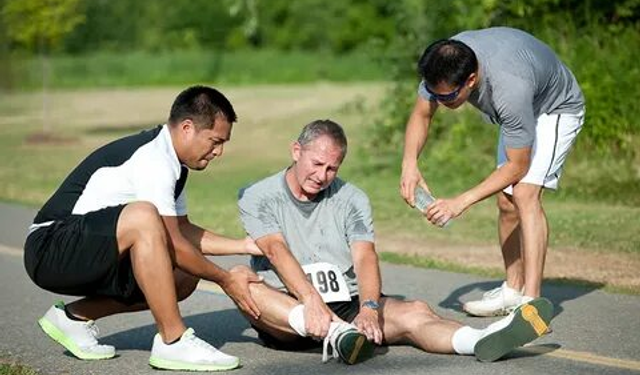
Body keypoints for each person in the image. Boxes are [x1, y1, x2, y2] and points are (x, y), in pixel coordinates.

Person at [235, 119, 554, 364]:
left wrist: (370, 308)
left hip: (346, 303)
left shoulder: (351, 197)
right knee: (242, 282)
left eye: (332, 168)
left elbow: (364, 256)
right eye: (317, 164)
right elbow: (275, 250)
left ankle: (481, 339)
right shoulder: (258, 194)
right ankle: (338, 334)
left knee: (416, 312)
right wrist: (310, 300)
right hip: (288, 308)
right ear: (296, 151)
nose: (323, 175)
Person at [24, 85, 265, 372]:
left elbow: (181, 230)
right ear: (187, 128)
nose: (219, 152)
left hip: (86, 248)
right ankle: (173, 341)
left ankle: (74, 318)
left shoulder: (175, 166)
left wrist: (244, 245)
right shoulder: (154, 160)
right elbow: (172, 243)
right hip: (49, 248)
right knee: (144, 217)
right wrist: (226, 280)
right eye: (215, 141)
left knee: (185, 274)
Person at [400, 27, 585, 317]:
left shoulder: (509, 88)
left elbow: (517, 166)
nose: (440, 100)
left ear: (471, 80)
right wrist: (409, 164)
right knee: (505, 202)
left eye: (447, 97)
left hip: (553, 108)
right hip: (520, 105)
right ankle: (512, 290)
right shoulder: (442, 63)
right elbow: (422, 113)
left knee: (524, 193)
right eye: (434, 92)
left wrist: (459, 202)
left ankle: (531, 304)